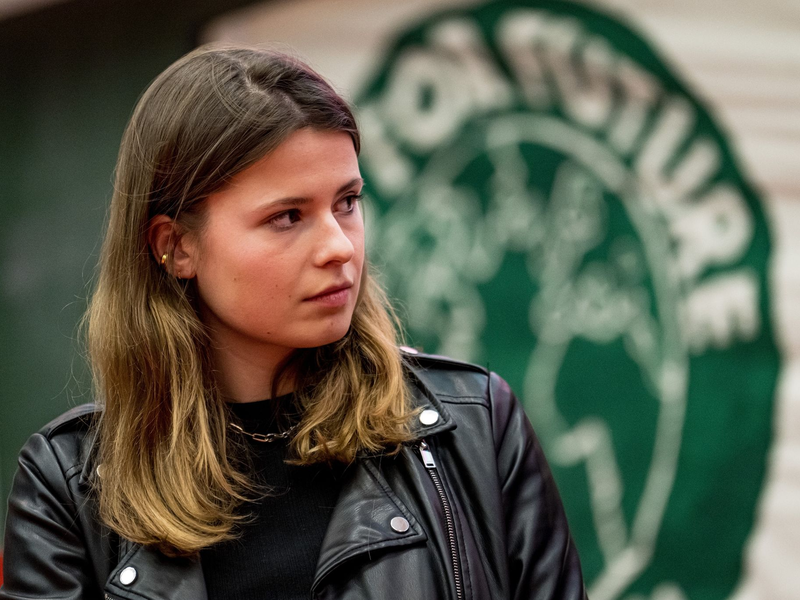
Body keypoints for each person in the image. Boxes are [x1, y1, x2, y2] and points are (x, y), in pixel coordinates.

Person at [0, 44, 587, 600]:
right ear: (176, 246)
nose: (340, 247)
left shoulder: (473, 427)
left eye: (348, 202)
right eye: (287, 216)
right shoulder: (70, 485)